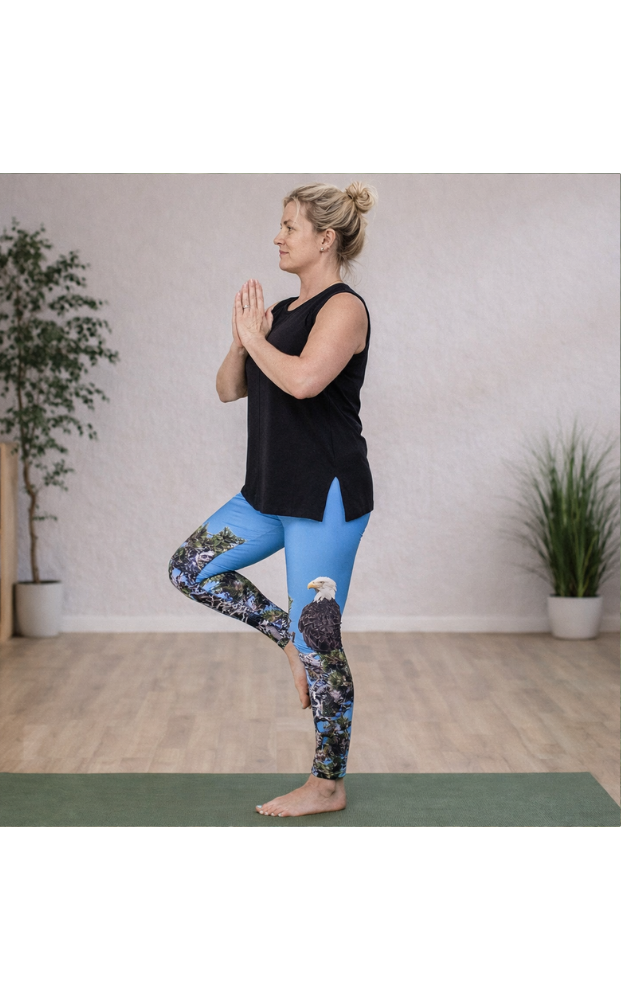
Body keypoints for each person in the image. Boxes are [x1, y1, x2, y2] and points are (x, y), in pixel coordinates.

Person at [168, 181, 377, 817]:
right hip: (266, 492)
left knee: (322, 637)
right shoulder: (283, 309)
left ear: (325, 239)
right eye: (279, 225)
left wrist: (259, 341)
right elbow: (229, 389)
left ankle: (328, 785)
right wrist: (241, 339)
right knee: (189, 568)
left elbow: (307, 381)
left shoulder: (345, 309)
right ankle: (286, 638)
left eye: (289, 226)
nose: (278, 237)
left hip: (326, 495)